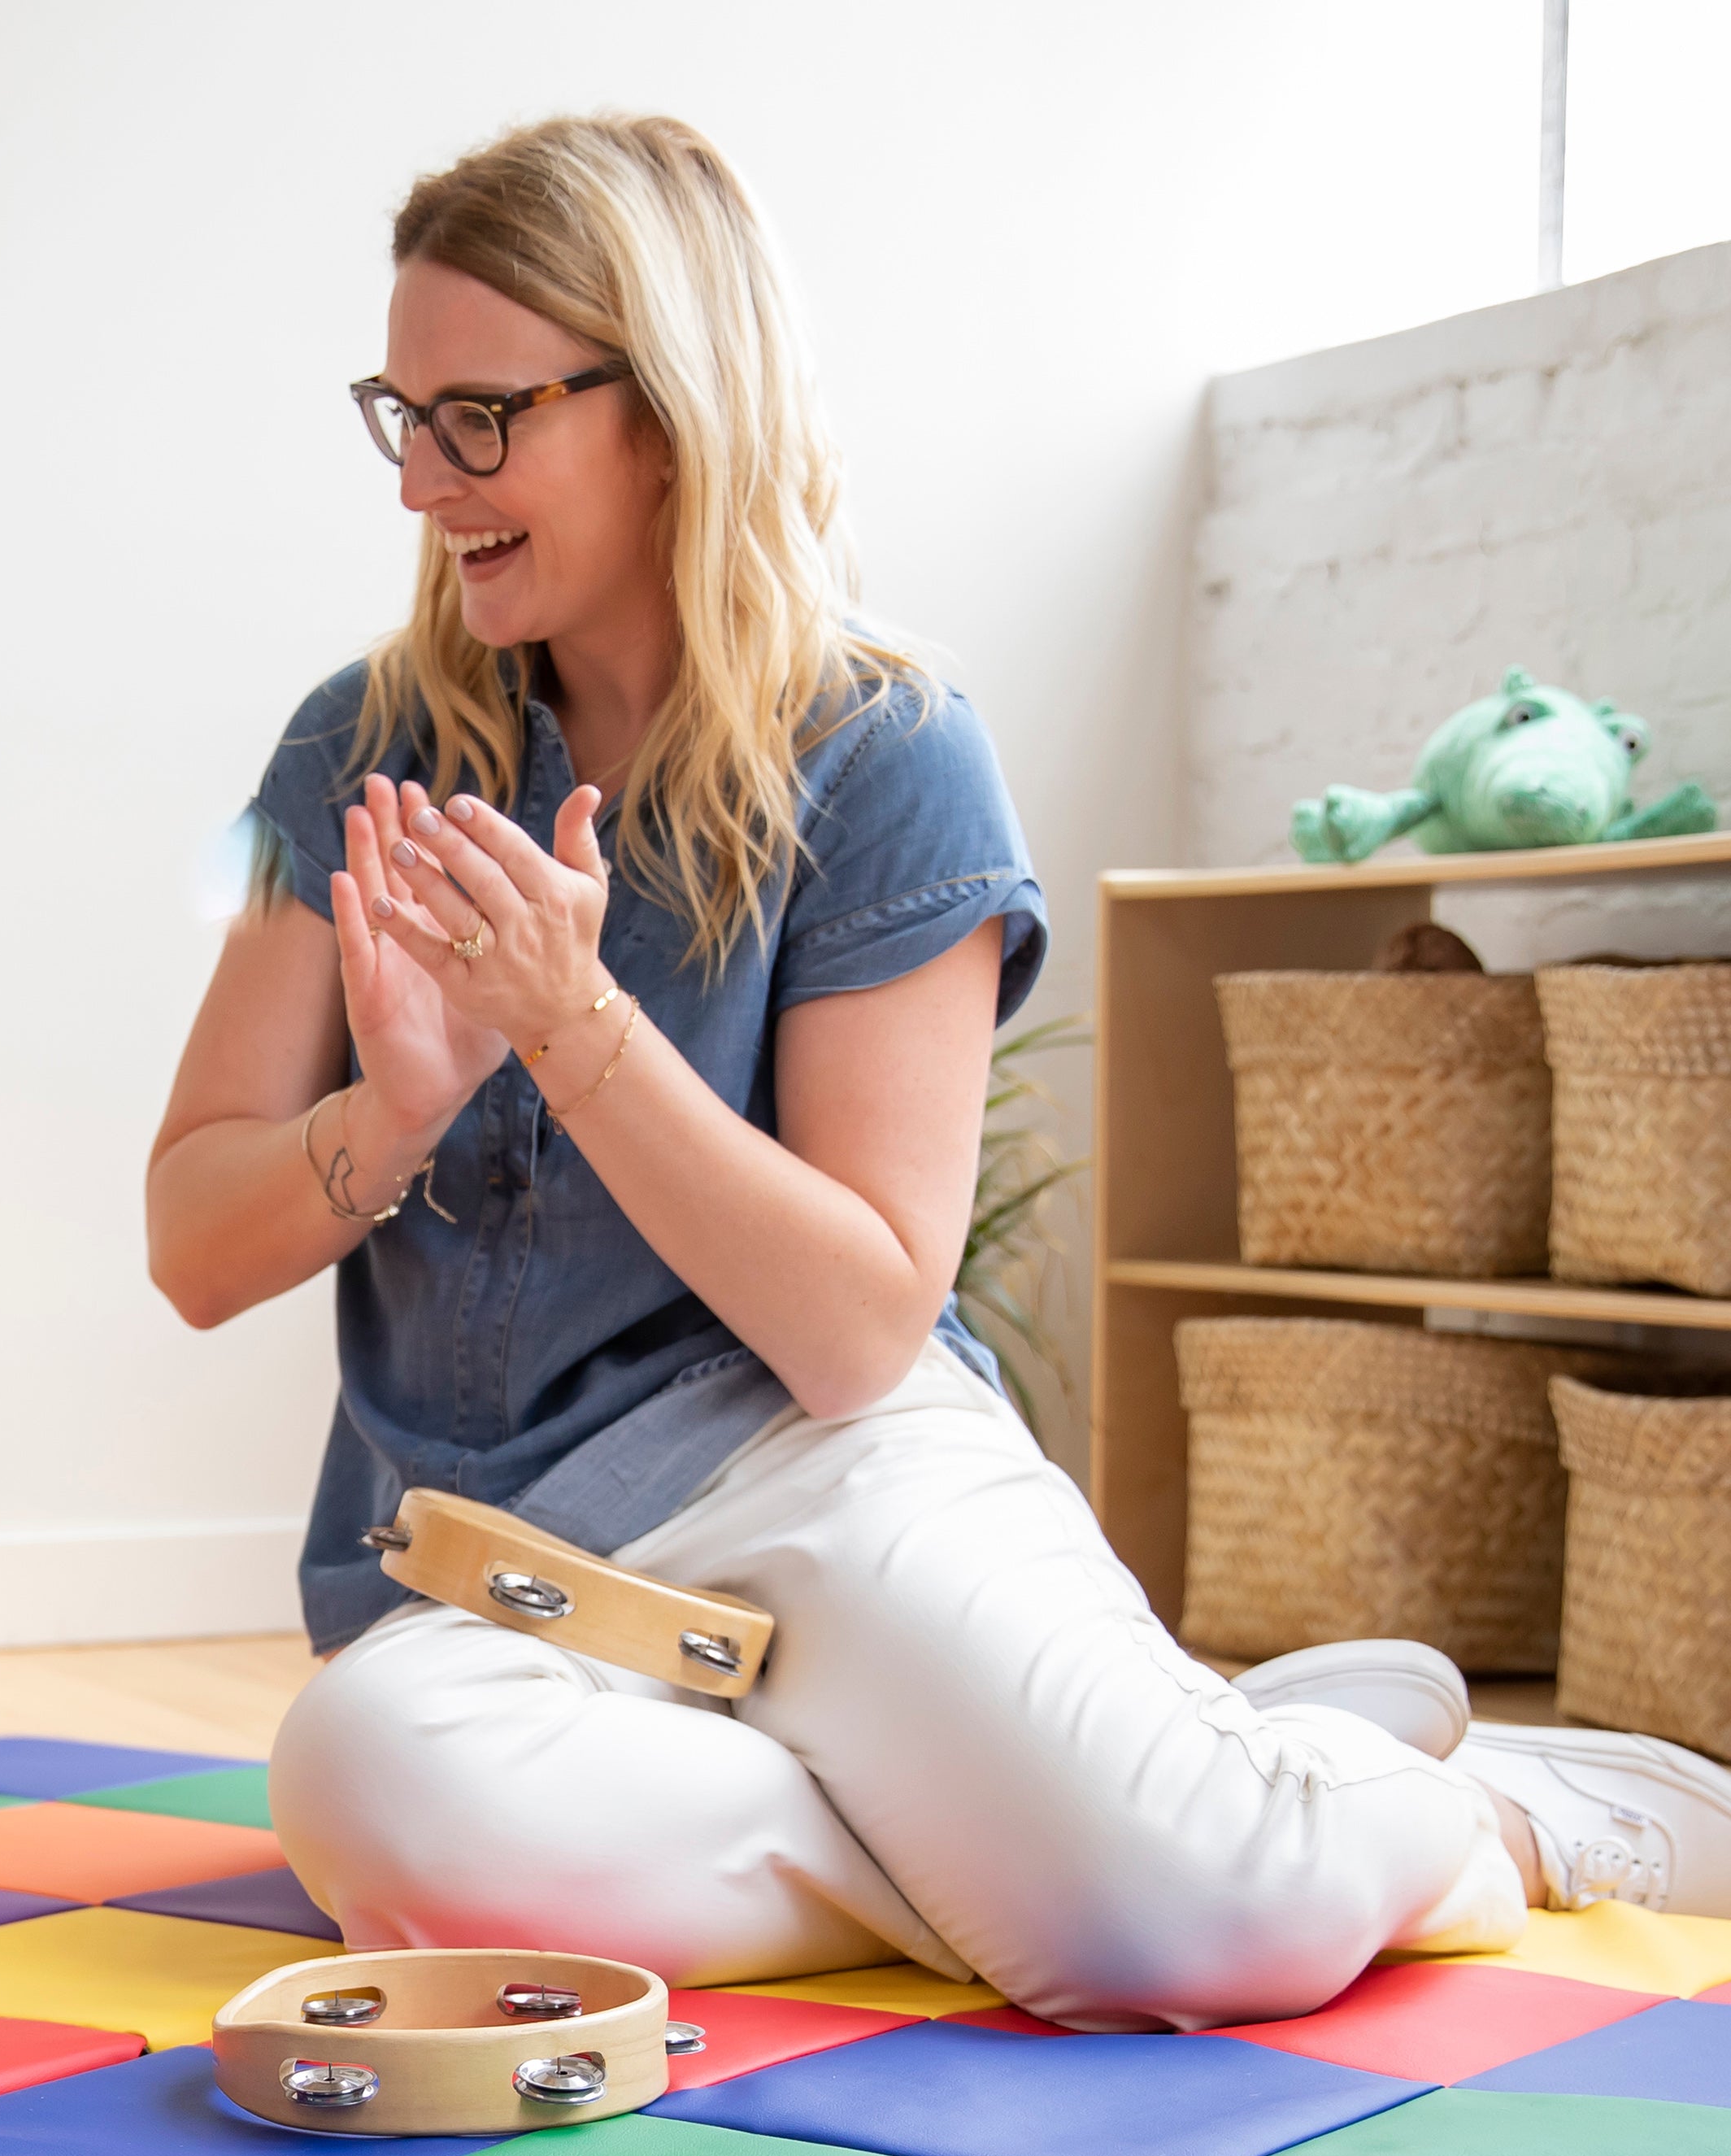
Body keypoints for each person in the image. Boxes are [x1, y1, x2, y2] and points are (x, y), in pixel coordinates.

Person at [148, 113, 1731, 2032]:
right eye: (395, 414)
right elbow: (189, 1239)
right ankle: (1115, 1797)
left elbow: (852, 1329)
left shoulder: (893, 748)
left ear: (667, 408)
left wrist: (574, 1033)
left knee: (1190, 1944)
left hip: (824, 1469)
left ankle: (1474, 1807)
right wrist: (389, 1110)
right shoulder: (343, 748)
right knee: (362, 1783)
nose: (419, 481)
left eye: (476, 417)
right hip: (502, 1583)